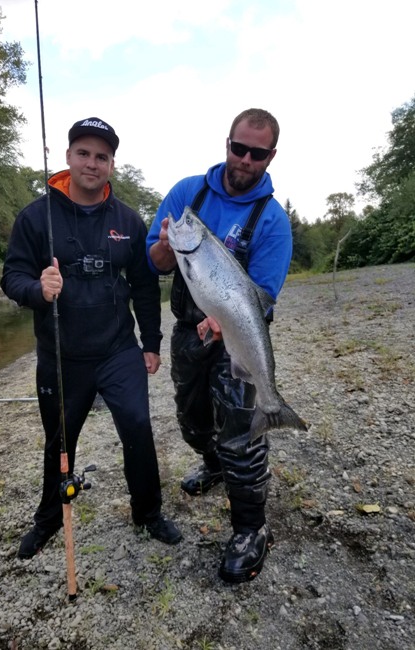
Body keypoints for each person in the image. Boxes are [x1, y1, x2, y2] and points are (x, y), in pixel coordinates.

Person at [1, 117, 182, 559]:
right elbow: (12, 277)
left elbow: (144, 284)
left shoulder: (128, 220)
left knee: (138, 427)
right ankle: (47, 519)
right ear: (68, 157)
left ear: (111, 165)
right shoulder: (34, 217)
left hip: (119, 350)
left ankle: (148, 513)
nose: (92, 163)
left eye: (102, 156)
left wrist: (152, 344)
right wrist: (37, 291)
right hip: (62, 356)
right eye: (83, 152)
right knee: (60, 441)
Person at [146, 108, 292, 584]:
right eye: (239, 148)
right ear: (227, 143)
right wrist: (167, 249)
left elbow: (262, 298)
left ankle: (252, 528)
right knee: (191, 420)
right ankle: (211, 465)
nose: (245, 159)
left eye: (257, 152)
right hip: (189, 331)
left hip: (238, 336)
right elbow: (156, 260)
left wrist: (223, 321)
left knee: (239, 437)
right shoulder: (189, 193)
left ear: (270, 155)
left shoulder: (272, 220)